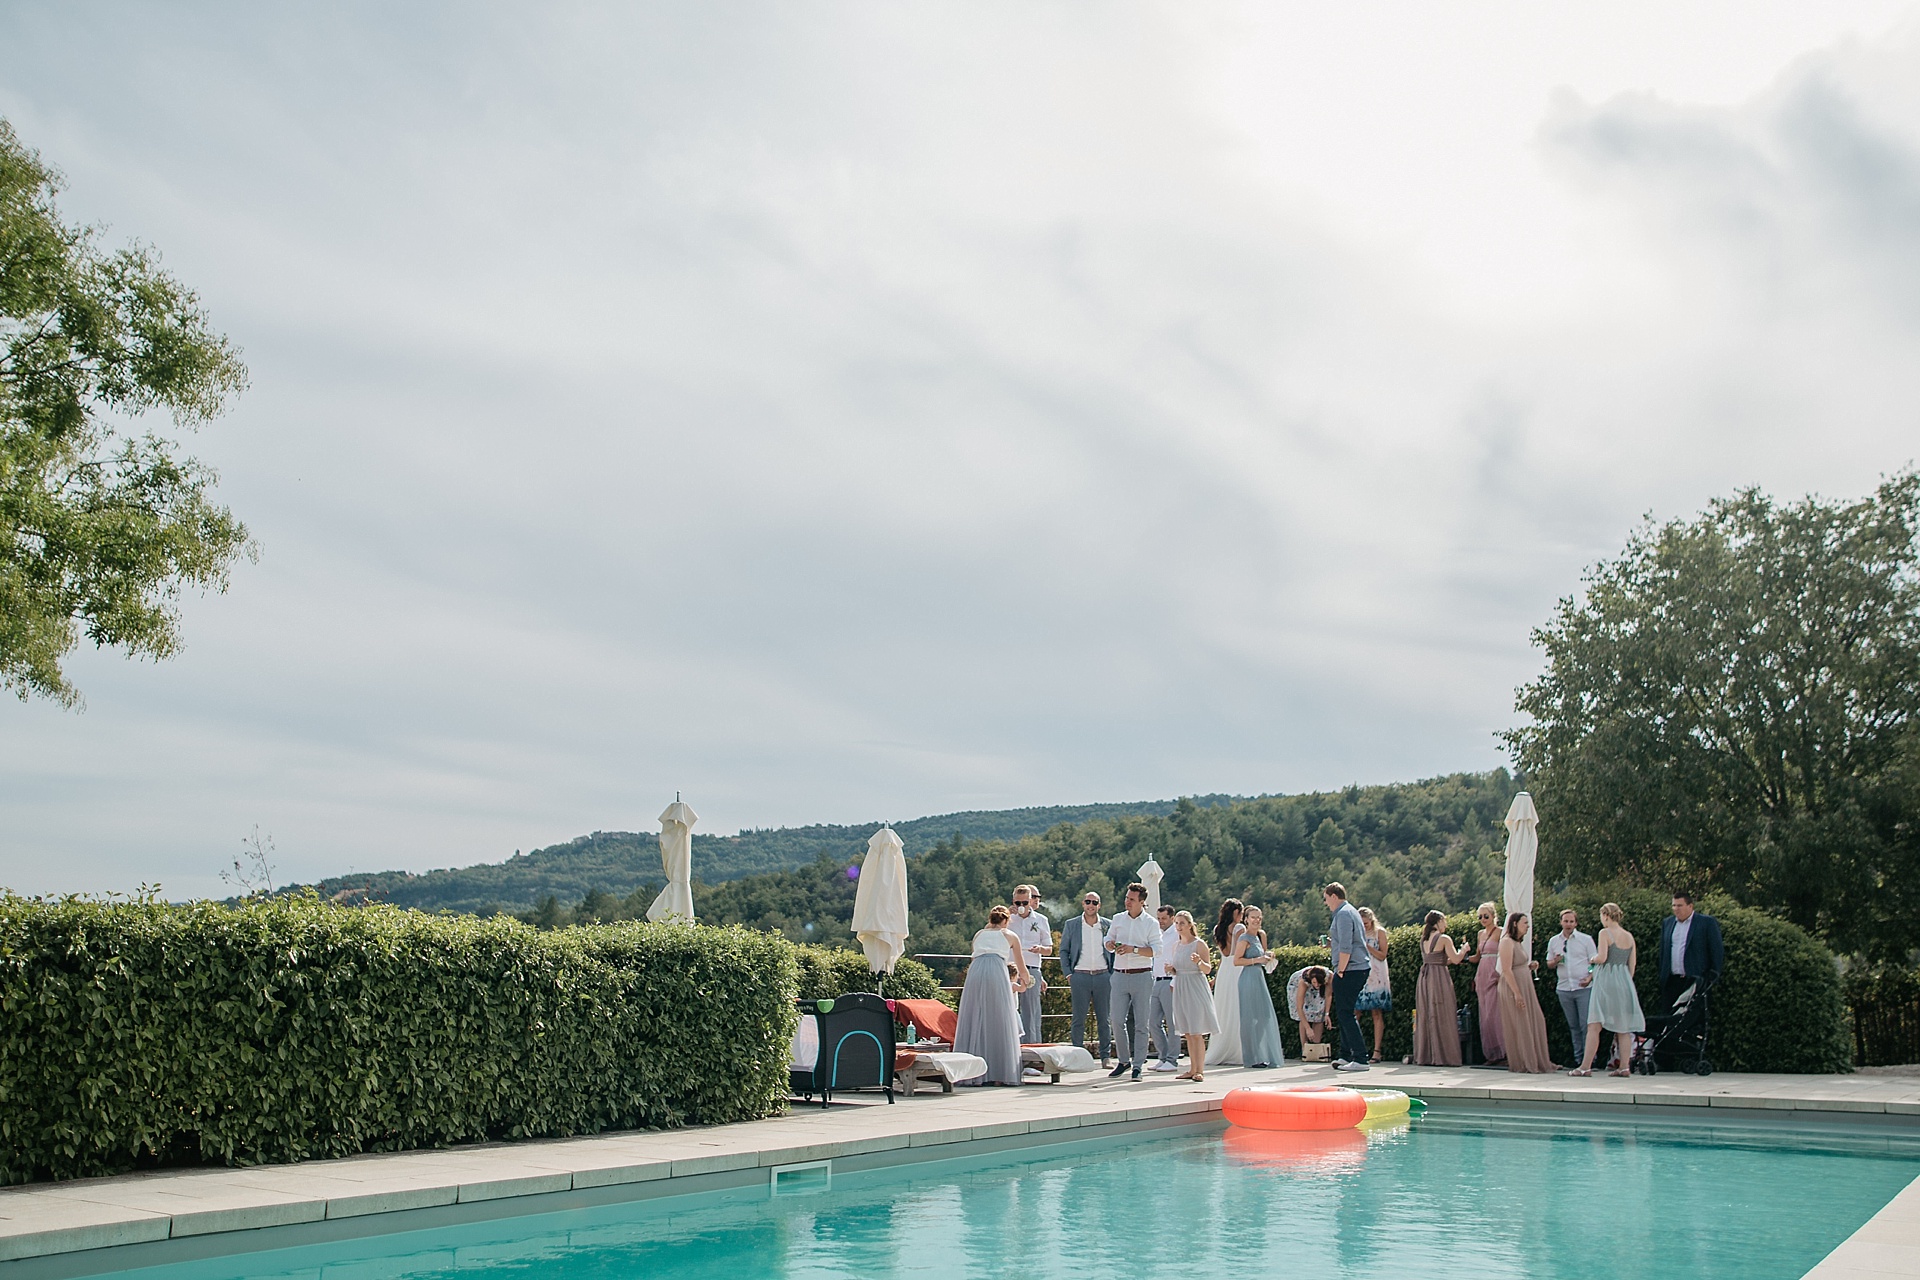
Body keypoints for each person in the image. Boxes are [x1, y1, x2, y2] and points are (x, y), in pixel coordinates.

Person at [954, 906, 1026, 1085]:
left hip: (976, 971)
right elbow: (1021, 965)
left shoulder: (979, 934)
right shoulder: (1009, 935)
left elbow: (974, 955)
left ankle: (971, 1070)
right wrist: (1025, 982)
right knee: (1000, 1017)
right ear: (1006, 920)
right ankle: (999, 1071)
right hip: (996, 970)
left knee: (975, 1016)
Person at [1574, 902, 1647, 1078]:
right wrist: (1626, 981)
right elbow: (1632, 963)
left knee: (1594, 1024)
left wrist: (1592, 958)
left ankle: (1585, 1067)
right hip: (1624, 981)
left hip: (1606, 979)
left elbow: (1602, 957)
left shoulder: (1604, 933)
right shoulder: (1629, 936)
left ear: (1606, 915)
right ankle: (1624, 1067)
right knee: (1623, 1028)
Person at [1104, 882, 1159, 1081]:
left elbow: (1155, 950)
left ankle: (1138, 1065)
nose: (1127, 902)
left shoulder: (1151, 923)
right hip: (1119, 974)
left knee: (1142, 1023)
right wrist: (1110, 944)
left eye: (1132, 899)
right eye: (1127, 898)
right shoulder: (1118, 919)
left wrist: (1133, 949)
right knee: (1117, 1020)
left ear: (1142, 902)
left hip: (1142, 975)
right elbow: (1108, 939)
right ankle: (1123, 1060)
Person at [1060, 890, 1113, 1066]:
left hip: (1103, 975)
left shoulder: (1108, 925)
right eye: (1088, 902)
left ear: (1099, 905)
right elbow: (1064, 950)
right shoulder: (1072, 924)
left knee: (1104, 1019)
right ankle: (1077, 1057)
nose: (1091, 905)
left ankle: (1106, 1056)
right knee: (1078, 1019)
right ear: (1083, 903)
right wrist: (1068, 973)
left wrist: (1111, 973)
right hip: (1079, 976)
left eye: (1094, 902)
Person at [1497, 911, 1554, 1073]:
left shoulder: (1517, 943)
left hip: (1524, 984)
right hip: (1513, 987)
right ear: (1515, 923)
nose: (1528, 927)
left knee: (1535, 1020)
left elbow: (1517, 964)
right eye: (1525, 923)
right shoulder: (1506, 942)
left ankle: (1538, 1059)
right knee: (1521, 1023)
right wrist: (1517, 993)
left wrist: (1529, 966)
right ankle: (1525, 1061)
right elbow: (1507, 970)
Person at [1324, 883, 1371, 1072]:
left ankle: (1360, 1058)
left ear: (1334, 896)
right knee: (1344, 1011)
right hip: (1355, 967)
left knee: (1345, 1013)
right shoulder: (1350, 911)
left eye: (1326, 898)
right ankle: (1345, 1055)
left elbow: (1346, 946)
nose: (1326, 903)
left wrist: (1341, 970)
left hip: (1350, 969)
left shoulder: (1343, 914)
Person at [1233, 905, 1285, 1067]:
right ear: (1246, 919)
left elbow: (1262, 955)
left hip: (1259, 978)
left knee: (1264, 1017)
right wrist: (1257, 960)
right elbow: (1237, 960)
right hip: (1248, 978)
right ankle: (1252, 1058)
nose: (1257, 920)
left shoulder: (1259, 937)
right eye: (1253, 917)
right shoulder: (1244, 938)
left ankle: (1261, 1052)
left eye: (1259, 917)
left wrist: (1267, 956)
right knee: (1249, 1018)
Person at [1414, 910, 1467, 1065]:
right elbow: (1456, 959)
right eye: (1444, 921)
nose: (1446, 924)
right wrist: (1464, 949)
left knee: (1427, 1013)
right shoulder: (1443, 938)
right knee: (1444, 1012)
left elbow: (1436, 959)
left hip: (1425, 978)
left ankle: (1427, 1055)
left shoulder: (1424, 939)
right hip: (1439, 978)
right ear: (1439, 921)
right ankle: (1445, 1056)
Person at [1169, 910, 1218, 1080]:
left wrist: (1199, 961)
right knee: (1188, 1032)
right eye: (1176, 923)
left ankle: (1200, 1070)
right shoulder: (1176, 945)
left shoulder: (1199, 944)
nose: (1179, 927)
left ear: (1190, 925)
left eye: (1182, 923)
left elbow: (1207, 969)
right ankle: (1191, 1068)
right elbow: (1177, 968)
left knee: (1197, 1031)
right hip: (1181, 986)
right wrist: (1172, 970)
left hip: (1196, 986)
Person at [1658, 892, 1725, 1012]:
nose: (1676, 909)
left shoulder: (1705, 923)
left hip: (1694, 980)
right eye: (1674, 906)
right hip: (1672, 980)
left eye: (1680, 905)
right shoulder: (1668, 923)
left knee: (1693, 1018)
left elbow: (1716, 951)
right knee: (1670, 1017)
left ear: (1690, 906)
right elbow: (1663, 952)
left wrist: (1711, 977)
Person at [1545, 908, 1597, 1063]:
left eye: (1571, 921)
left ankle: (1590, 1060)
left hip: (1583, 988)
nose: (1568, 924)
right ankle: (1578, 1058)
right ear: (1561, 922)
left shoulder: (1586, 940)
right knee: (1573, 1026)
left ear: (1576, 923)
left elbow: (1594, 963)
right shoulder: (1554, 941)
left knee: (1586, 1025)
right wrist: (1555, 961)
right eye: (1566, 921)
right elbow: (1549, 964)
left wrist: (1589, 977)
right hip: (1564, 988)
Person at [1009, 885, 1052, 1045]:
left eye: (1024, 903)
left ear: (1031, 901)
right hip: (1010, 970)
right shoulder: (1008, 918)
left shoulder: (1041, 920)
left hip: (1032, 968)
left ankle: (1033, 1050)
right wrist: (1005, 915)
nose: (1021, 907)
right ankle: (1011, 1049)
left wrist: (1040, 949)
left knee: (1031, 1013)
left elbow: (1049, 949)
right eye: (1017, 903)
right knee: (1009, 1009)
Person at [1206, 899, 1245, 1067]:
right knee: (1238, 1008)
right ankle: (1238, 1049)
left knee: (1223, 1009)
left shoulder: (1218, 929)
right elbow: (1237, 953)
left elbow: (1224, 955)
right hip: (1237, 969)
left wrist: (1215, 978)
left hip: (1224, 972)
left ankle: (1221, 1047)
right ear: (1236, 913)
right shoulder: (1239, 928)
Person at [1468, 901, 1506, 1064]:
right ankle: (1491, 1054)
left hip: (1495, 973)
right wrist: (1462, 955)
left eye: (1486, 916)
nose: (1483, 919)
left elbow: (1505, 954)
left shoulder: (1501, 932)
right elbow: (1477, 956)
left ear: (1493, 916)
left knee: (1496, 1014)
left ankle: (1504, 1052)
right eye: (1480, 917)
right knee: (1485, 1016)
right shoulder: (1480, 934)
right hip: (1482, 973)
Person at [1355, 906, 1393, 1063]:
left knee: (1376, 1012)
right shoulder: (1356, 933)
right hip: (1360, 973)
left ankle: (1377, 1051)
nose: (1365, 926)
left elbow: (1383, 955)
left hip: (1376, 974)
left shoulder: (1379, 933)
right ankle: (1355, 1049)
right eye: (1362, 923)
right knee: (1355, 1012)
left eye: (1367, 923)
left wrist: (1367, 946)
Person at [1148, 904, 1181, 1071]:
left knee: (1172, 1021)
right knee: (1153, 1021)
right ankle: (1163, 1056)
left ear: (1172, 918)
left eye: (1164, 918)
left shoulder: (1176, 935)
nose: (1161, 922)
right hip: (1156, 980)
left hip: (1170, 980)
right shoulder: (1157, 934)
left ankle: (1172, 1059)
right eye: (1159, 918)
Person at [1287, 965, 1334, 1051]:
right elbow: (1299, 1007)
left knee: (1320, 1012)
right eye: (1314, 983)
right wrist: (1308, 1028)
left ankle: (1316, 1048)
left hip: (1319, 986)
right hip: (1297, 985)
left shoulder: (1329, 976)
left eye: (1319, 983)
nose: (1316, 985)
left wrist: (1327, 1014)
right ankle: (1305, 1048)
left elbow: (1328, 995)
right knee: (1305, 1012)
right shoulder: (1303, 980)